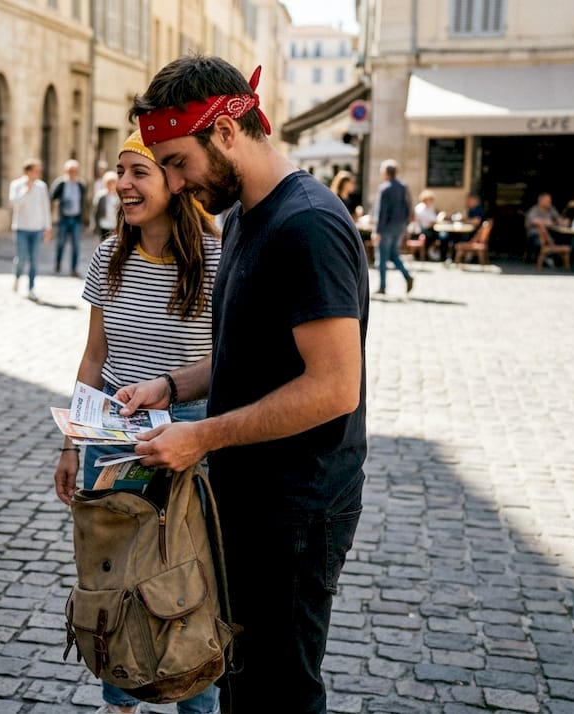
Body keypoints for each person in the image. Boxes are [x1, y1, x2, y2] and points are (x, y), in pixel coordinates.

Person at [119, 54, 369, 714]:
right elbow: (249, 354)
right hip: (248, 500)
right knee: (242, 680)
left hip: (296, 508)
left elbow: (334, 387)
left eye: (177, 161)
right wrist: (171, 387)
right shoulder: (242, 215)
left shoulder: (306, 225)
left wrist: (202, 434)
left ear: (227, 132)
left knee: (279, 692)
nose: (171, 182)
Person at [53, 131, 223, 714]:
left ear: (175, 184)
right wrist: (71, 443)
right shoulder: (108, 255)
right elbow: (95, 354)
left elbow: (225, 356)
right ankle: (117, 698)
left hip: (191, 436)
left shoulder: (216, 257)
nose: (123, 184)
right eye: (120, 172)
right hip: (113, 434)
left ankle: (195, 699)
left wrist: (175, 400)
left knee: (188, 576)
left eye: (139, 172)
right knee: (114, 574)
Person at [10, 159, 52, 301]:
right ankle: (17, 277)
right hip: (21, 228)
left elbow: (45, 208)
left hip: (37, 229)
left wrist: (48, 228)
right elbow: (15, 204)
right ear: (28, 171)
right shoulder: (16, 185)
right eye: (36, 170)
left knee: (34, 260)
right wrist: (26, 190)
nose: (38, 173)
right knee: (21, 258)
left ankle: (31, 288)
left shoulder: (42, 187)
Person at [372, 159, 413, 295]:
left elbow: (381, 212)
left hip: (387, 227)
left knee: (382, 257)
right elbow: (408, 206)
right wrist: (406, 225)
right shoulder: (403, 186)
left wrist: (377, 231)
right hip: (400, 226)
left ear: (385, 172)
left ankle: (382, 286)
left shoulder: (385, 188)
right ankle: (407, 276)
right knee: (394, 254)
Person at [50, 160, 89, 276]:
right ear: (66, 171)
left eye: (75, 171)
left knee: (76, 245)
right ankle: (58, 263)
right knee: (61, 243)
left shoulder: (81, 185)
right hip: (64, 218)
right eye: (70, 171)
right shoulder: (61, 183)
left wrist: (85, 219)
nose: (73, 173)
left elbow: (84, 202)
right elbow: (52, 197)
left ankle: (73, 268)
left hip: (76, 218)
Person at [525, 192, 564, 259]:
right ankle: (551, 251)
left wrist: (556, 222)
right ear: (541, 200)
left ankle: (553, 252)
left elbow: (560, 220)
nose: (550, 201)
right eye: (547, 200)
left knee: (562, 238)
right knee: (541, 230)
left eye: (550, 200)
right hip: (535, 234)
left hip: (550, 232)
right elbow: (535, 221)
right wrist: (546, 223)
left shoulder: (551, 209)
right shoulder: (534, 210)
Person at [92, 171, 120, 239]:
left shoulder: (119, 196)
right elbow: (95, 211)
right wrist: (93, 225)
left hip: (115, 225)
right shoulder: (100, 195)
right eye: (109, 182)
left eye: (113, 182)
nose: (111, 184)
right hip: (104, 224)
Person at [413, 189, 439, 260]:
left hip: (429, 228)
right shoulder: (420, 208)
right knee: (439, 236)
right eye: (429, 199)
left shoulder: (430, 208)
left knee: (443, 235)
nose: (430, 201)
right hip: (421, 230)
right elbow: (430, 221)